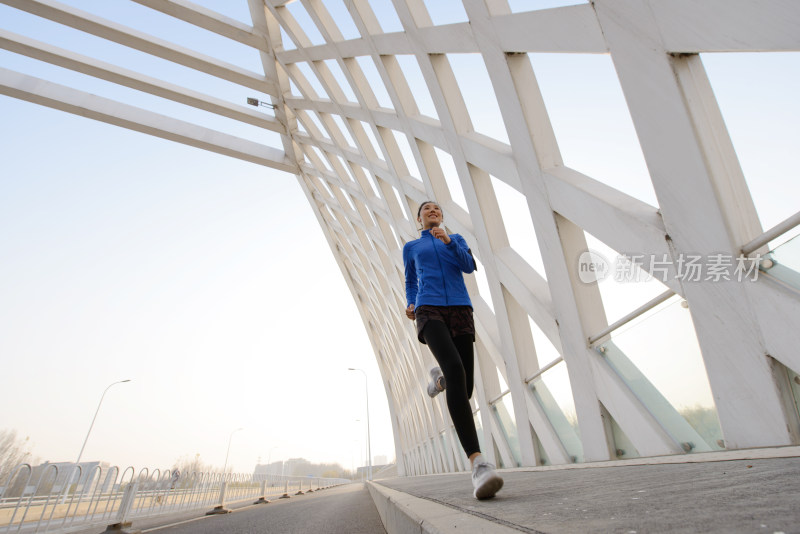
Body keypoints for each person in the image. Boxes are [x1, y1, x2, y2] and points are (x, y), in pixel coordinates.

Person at [403, 200, 504, 500]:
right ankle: (478, 464)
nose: (433, 211)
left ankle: (441, 380)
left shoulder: (455, 239)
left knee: (465, 387)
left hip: (460, 309)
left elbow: (469, 266)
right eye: (427, 210)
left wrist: (449, 241)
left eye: (437, 209)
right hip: (429, 308)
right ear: (418, 218)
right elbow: (410, 280)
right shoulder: (411, 247)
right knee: (456, 368)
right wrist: (411, 302)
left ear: (442, 217)